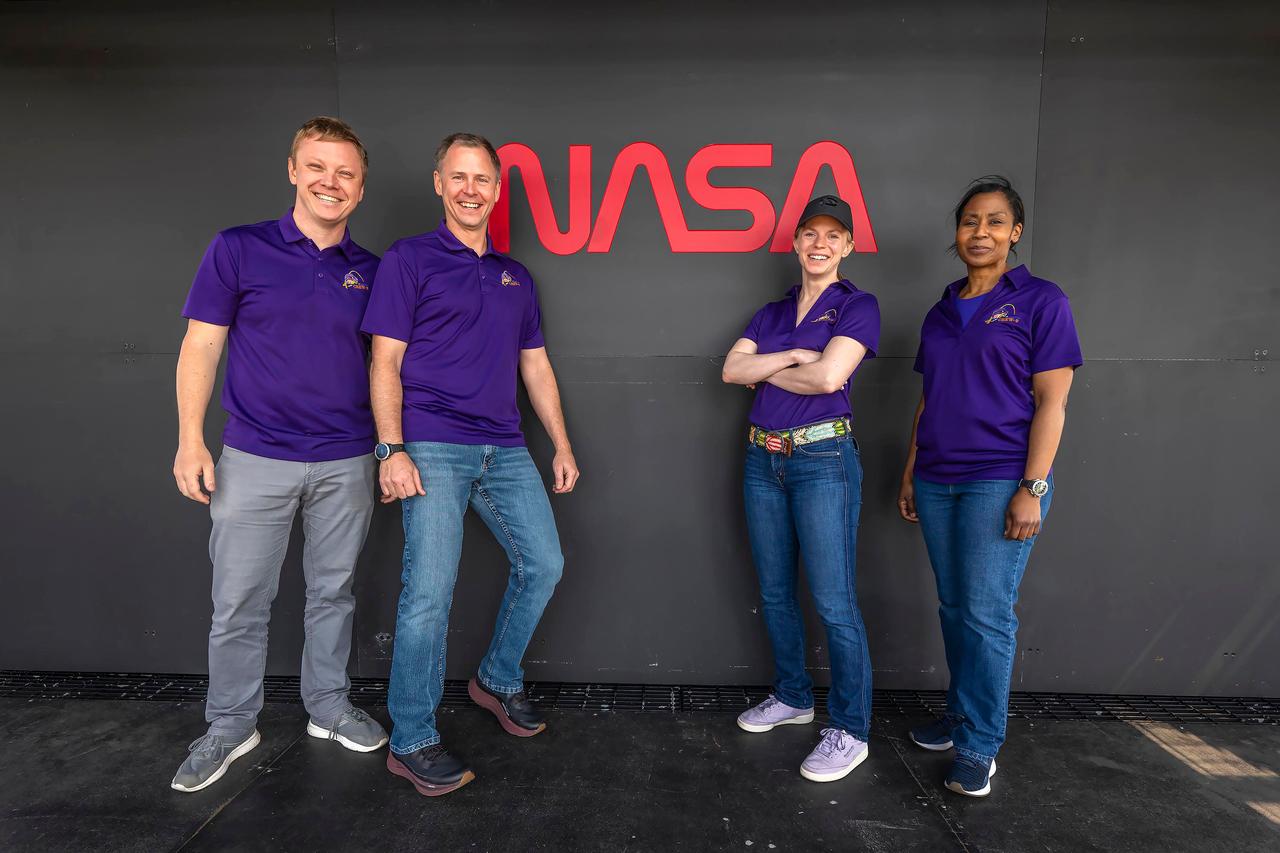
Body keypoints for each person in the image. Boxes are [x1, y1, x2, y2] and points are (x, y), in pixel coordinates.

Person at [170, 117, 387, 793]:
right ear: (293, 170)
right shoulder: (239, 248)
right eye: (317, 167)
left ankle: (327, 705)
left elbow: (388, 369)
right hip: (254, 454)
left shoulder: (373, 271)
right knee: (239, 600)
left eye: (345, 172)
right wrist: (189, 438)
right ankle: (231, 725)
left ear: (360, 186)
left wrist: (387, 449)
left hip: (348, 458)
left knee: (333, 592)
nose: (331, 182)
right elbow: (201, 346)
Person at [362, 132, 579, 798]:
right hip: (431, 443)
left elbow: (534, 364)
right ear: (438, 183)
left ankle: (497, 679)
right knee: (428, 593)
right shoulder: (409, 259)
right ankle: (411, 737)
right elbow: (385, 360)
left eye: (482, 179)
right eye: (458, 177)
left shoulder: (516, 276)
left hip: (505, 446)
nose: (470, 189)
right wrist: (391, 447)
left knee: (544, 562)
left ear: (496, 189)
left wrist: (562, 443)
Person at [897, 175, 1082, 797]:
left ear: (1015, 232)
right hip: (936, 478)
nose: (981, 232)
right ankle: (958, 715)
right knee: (955, 609)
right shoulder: (942, 308)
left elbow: (1052, 403)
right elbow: (930, 400)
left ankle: (980, 744)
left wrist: (1034, 485)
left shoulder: (1041, 301)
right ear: (957, 232)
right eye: (971, 221)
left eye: (995, 222)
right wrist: (909, 469)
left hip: (999, 479)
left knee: (986, 614)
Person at [721, 195, 880, 783]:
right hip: (764, 458)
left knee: (834, 601)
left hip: (823, 458)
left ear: (848, 246)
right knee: (776, 590)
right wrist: (787, 354)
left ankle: (852, 729)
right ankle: (792, 695)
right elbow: (730, 371)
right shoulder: (772, 312)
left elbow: (831, 376)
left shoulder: (857, 306)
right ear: (795, 243)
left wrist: (765, 369)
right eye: (810, 233)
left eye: (832, 236)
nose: (819, 244)